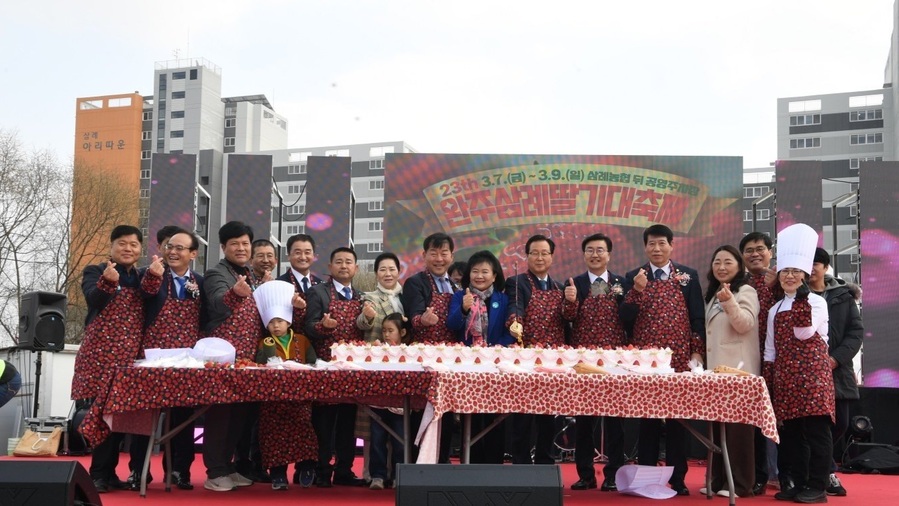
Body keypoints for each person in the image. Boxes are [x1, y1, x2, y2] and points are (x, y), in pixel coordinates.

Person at [72, 225, 162, 493]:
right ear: (112, 247)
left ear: (140, 250)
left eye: (134, 245)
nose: (128, 249)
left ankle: (113, 474)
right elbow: (94, 299)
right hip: (101, 357)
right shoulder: (95, 271)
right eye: (122, 243)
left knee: (123, 416)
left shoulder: (144, 275)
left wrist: (155, 278)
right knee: (102, 416)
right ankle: (99, 474)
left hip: (131, 357)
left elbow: (150, 298)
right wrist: (108, 281)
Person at [620, 224, 705, 496]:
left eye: (661, 243)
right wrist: (636, 291)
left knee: (678, 420)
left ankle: (678, 478)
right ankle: (646, 476)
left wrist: (697, 351)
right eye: (651, 244)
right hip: (646, 361)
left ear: (671, 245)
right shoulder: (634, 276)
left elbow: (697, 317)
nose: (657, 249)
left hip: (679, 359)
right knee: (648, 421)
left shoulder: (688, 276)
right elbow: (624, 318)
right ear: (645, 247)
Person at [763, 224, 834, 504]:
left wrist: (802, 298)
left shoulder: (816, 302)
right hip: (786, 377)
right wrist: (769, 380)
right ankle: (798, 482)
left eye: (795, 272)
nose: (790, 276)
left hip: (813, 376)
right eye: (785, 272)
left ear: (805, 276)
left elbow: (803, 333)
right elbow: (770, 348)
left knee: (816, 432)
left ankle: (818, 485)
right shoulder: (774, 309)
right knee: (791, 434)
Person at [141, 228, 205, 491]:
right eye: (170, 246)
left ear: (193, 254)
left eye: (180, 248)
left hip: (186, 360)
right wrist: (151, 278)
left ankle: (180, 470)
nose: (173, 252)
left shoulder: (201, 282)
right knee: (144, 416)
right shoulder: (152, 275)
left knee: (183, 419)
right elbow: (144, 298)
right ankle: (139, 471)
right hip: (153, 358)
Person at [505, 234, 577, 466]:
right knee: (523, 416)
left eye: (544, 253)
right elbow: (515, 305)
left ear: (552, 257)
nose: (539, 257)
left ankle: (546, 461)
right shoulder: (517, 282)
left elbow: (568, 318)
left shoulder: (559, 286)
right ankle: (521, 462)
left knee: (549, 415)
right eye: (534, 253)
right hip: (527, 358)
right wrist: (515, 322)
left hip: (553, 361)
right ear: (526, 256)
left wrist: (571, 302)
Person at [202, 221, 262, 492]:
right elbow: (216, 302)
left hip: (247, 357)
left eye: (245, 243)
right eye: (234, 243)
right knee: (221, 413)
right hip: (222, 357)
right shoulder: (217, 273)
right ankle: (214, 471)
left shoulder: (250, 273)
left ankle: (228, 466)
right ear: (224, 247)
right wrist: (234, 295)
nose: (241, 248)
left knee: (240, 414)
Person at [566, 233, 629, 492]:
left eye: (600, 250)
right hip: (584, 360)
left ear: (609, 254)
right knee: (584, 422)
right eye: (590, 250)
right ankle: (586, 475)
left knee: (615, 421)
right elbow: (567, 318)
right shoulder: (575, 283)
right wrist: (569, 302)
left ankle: (613, 474)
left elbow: (628, 317)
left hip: (614, 359)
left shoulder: (621, 283)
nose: (595, 254)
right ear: (583, 255)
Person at [305, 247, 367, 487]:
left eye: (348, 262)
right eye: (338, 262)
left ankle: (344, 470)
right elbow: (308, 327)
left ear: (356, 268)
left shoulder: (362, 296)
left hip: (352, 370)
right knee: (323, 423)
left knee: (347, 422)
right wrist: (324, 326)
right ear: (330, 268)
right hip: (326, 367)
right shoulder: (317, 292)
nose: (344, 266)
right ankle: (322, 471)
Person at [702, 245, 760, 497]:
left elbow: (746, 324)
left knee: (738, 431)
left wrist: (730, 303)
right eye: (717, 262)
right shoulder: (714, 293)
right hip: (716, 372)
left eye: (728, 262)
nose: (722, 267)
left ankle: (741, 485)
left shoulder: (746, 291)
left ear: (739, 266)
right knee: (717, 428)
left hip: (738, 372)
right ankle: (718, 481)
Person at [446, 250, 515, 464]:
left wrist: (494, 350)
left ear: (494, 275)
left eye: (485, 271)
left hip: (495, 365)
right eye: (475, 271)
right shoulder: (459, 296)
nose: (480, 276)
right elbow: (452, 325)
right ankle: (472, 462)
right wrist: (464, 309)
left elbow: (508, 333)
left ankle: (494, 462)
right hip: (468, 365)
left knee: (495, 415)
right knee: (472, 415)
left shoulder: (503, 299)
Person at [252, 280, 317, 491]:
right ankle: (278, 474)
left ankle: (307, 467)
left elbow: (313, 363)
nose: (276, 326)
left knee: (304, 431)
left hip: (300, 399)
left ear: (289, 321)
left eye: (280, 321)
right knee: (273, 435)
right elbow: (261, 365)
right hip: (272, 400)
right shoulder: (264, 343)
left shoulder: (302, 340)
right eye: (271, 322)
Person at [808, 248, 863, 497]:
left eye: (815, 264)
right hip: (806, 371)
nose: (810, 269)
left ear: (826, 267)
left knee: (839, 422)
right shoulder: (796, 295)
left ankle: (821, 467)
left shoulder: (843, 296)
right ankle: (825, 472)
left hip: (837, 370)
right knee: (813, 426)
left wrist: (835, 359)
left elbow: (855, 333)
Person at [400, 232, 459, 463]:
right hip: (424, 361)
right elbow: (412, 317)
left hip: (450, 362)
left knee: (446, 414)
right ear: (424, 255)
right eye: (433, 253)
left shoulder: (456, 286)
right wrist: (422, 320)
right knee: (421, 415)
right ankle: (418, 466)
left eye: (444, 253)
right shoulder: (416, 282)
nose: (439, 258)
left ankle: (442, 462)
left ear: (451, 256)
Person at [276, 233, 323, 486]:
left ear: (314, 255)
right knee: (282, 414)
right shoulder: (278, 284)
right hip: (283, 357)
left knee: (311, 418)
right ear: (288, 255)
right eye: (297, 252)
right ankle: (278, 469)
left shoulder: (321, 285)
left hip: (313, 357)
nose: (303, 256)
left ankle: (307, 467)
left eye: (307, 252)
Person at [740, 231, 777, 495]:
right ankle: (758, 475)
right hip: (747, 360)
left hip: (778, 361)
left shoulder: (783, 279)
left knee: (782, 419)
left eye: (760, 248)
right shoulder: (738, 282)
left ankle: (788, 474)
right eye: (749, 250)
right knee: (752, 422)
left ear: (770, 252)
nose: (755, 253)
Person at [368, 312, 407, 490]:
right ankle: (378, 476)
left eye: (391, 330)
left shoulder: (411, 352)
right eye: (384, 330)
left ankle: (399, 476)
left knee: (400, 443)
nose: (387, 334)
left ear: (402, 333)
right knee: (377, 441)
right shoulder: (375, 350)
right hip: (378, 404)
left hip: (400, 406)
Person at [357, 252, 405, 343]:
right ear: (376, 273)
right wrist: (367, 316)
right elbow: (361, 324)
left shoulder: (406, 297)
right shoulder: (371, 298)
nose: (388, 274)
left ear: (399, 272)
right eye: (382, 270)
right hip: (378, 354)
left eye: (392, 269)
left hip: (405, 353)